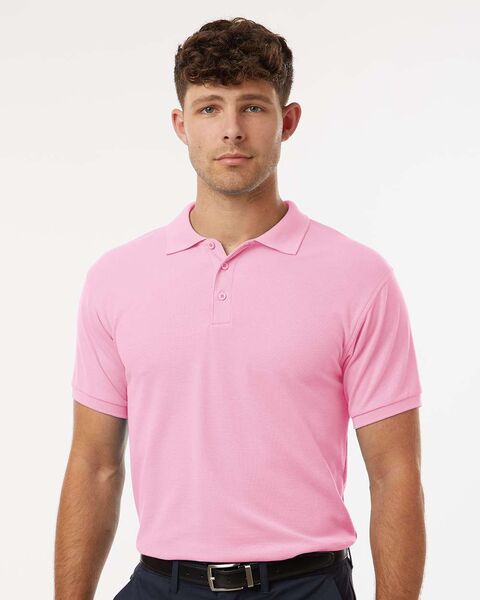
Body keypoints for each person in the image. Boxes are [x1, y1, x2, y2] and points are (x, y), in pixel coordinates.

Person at [54, 16, 426, 600]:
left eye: (252, 107)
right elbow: (94, 464)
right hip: (162, 584)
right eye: (209, 108)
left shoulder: (360, 279)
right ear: (181, 125)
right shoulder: (116, 279)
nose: (231, 130)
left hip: (305, 585)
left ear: (288, 121)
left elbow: (394, 473)